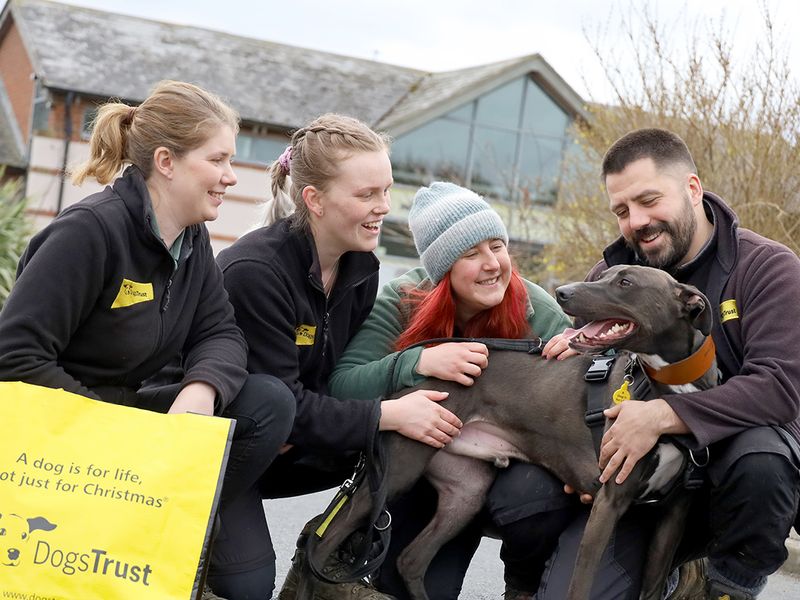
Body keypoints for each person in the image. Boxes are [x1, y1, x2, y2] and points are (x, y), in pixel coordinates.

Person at [0, 80, 298, 600]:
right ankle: (141, 523)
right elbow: (14, 355)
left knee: (268, 402)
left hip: (130, 426)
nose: (231, 175)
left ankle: (168, 520)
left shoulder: (191, 239)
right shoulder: (89, 232)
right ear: (166, 161)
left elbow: (221, 332)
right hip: (57, 441)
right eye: (218, 158)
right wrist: (114, 434)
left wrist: (200, 390)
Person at [539, 128, 800, 600]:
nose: (636, 220)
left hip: (732, 486)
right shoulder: (612, 277)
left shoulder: (767, 269)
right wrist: (568, 346)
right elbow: (574, 371)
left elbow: (781, 387)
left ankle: (724, 585)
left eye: (648, 199)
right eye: (621, 210)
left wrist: (664, 415)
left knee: (763, 460)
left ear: (692, 188)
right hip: (643, 490)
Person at [216, 114, 464, 600]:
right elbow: (280, 405)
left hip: (295, 442)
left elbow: (338, 383)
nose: (383, 208)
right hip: (227, 455)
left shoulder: (360, 266)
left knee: (405, 442)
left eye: (387, 191)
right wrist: (386, 414)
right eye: (366, 194)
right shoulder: (254, 272)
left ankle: (333, 558)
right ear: (314, 199)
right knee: (246, 588)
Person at [328, 181, 575, 600]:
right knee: (410, 588)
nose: (493, 264)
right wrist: (416, 361)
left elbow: (583, 393)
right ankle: (332, 555)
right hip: (424, 465)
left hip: (514, 469)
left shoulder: (538, 310)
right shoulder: (403, 300)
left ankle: (523, 584)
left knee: (532, 500)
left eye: (497, 246)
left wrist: (578, 348)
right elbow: (342, 386)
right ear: (442, 268)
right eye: (471, 253)